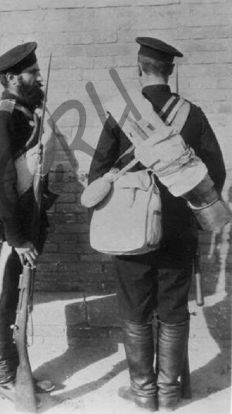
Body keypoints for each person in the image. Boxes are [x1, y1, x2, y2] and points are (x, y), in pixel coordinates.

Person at [87, 37, 226, 411]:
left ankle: (144, 392)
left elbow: (97, 174)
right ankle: (168, 393)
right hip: (178, 230)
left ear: (139, 69)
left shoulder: (121, 114)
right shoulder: (193, 115)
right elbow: (215, 174)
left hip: (130, 229)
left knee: (135, 310)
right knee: (174, 310)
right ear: (171, 71)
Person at [0, 42, 55, 403]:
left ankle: (20, 371)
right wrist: (18, 238)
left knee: (18, 301)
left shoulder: (27, 115)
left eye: (37, 72)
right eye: (32, 73)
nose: (38, 78)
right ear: (12, 78)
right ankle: (3, 377)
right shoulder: (2, 118)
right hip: (4, 232)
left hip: (22, 229)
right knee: (2, 300)